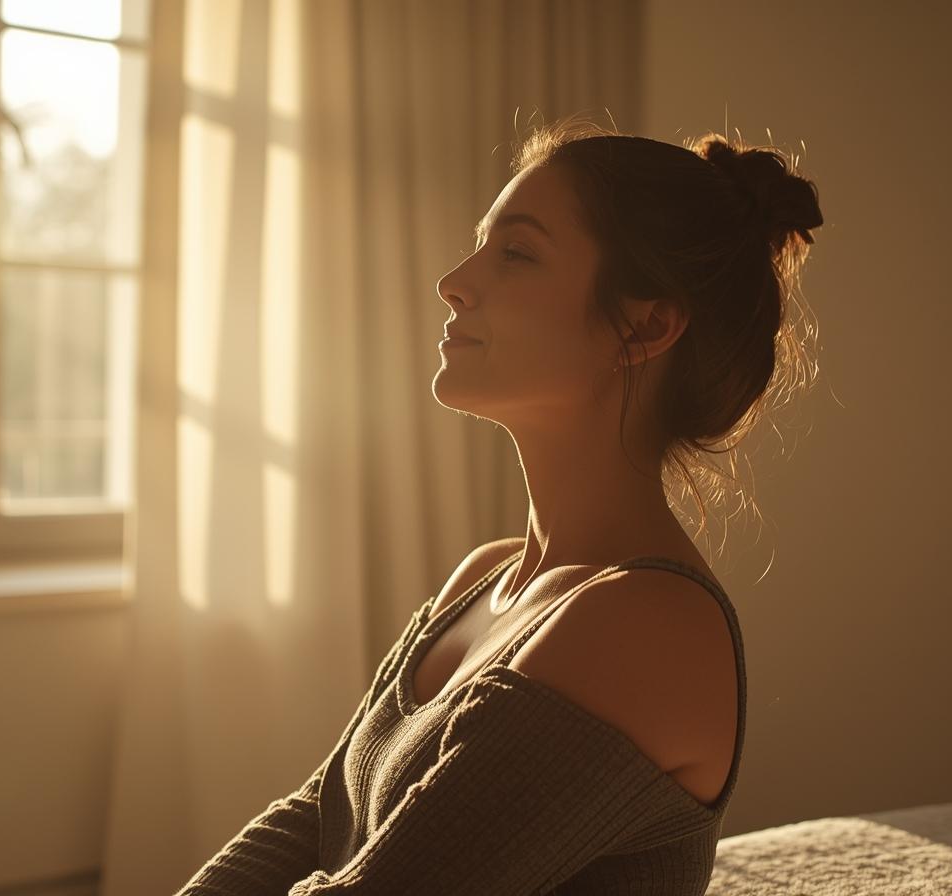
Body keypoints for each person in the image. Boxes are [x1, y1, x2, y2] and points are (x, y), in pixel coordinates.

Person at [180, 118, 824, 895]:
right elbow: (316, 818)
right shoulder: (485, 578)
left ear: (647, 325)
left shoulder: (648, 623)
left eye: (515, 252)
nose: (454, 279)